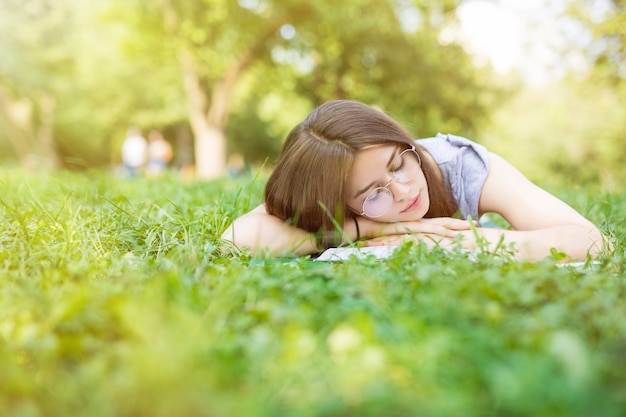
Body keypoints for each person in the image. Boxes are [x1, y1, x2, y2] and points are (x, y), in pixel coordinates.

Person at [221, 100, 607, 261]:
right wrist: (366, 229)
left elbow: (591, 240)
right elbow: (234, 241)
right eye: (374, 193)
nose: (404, 191)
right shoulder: (328, 194)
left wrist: (467, 241)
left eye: (398, 163)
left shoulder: (458, 164)